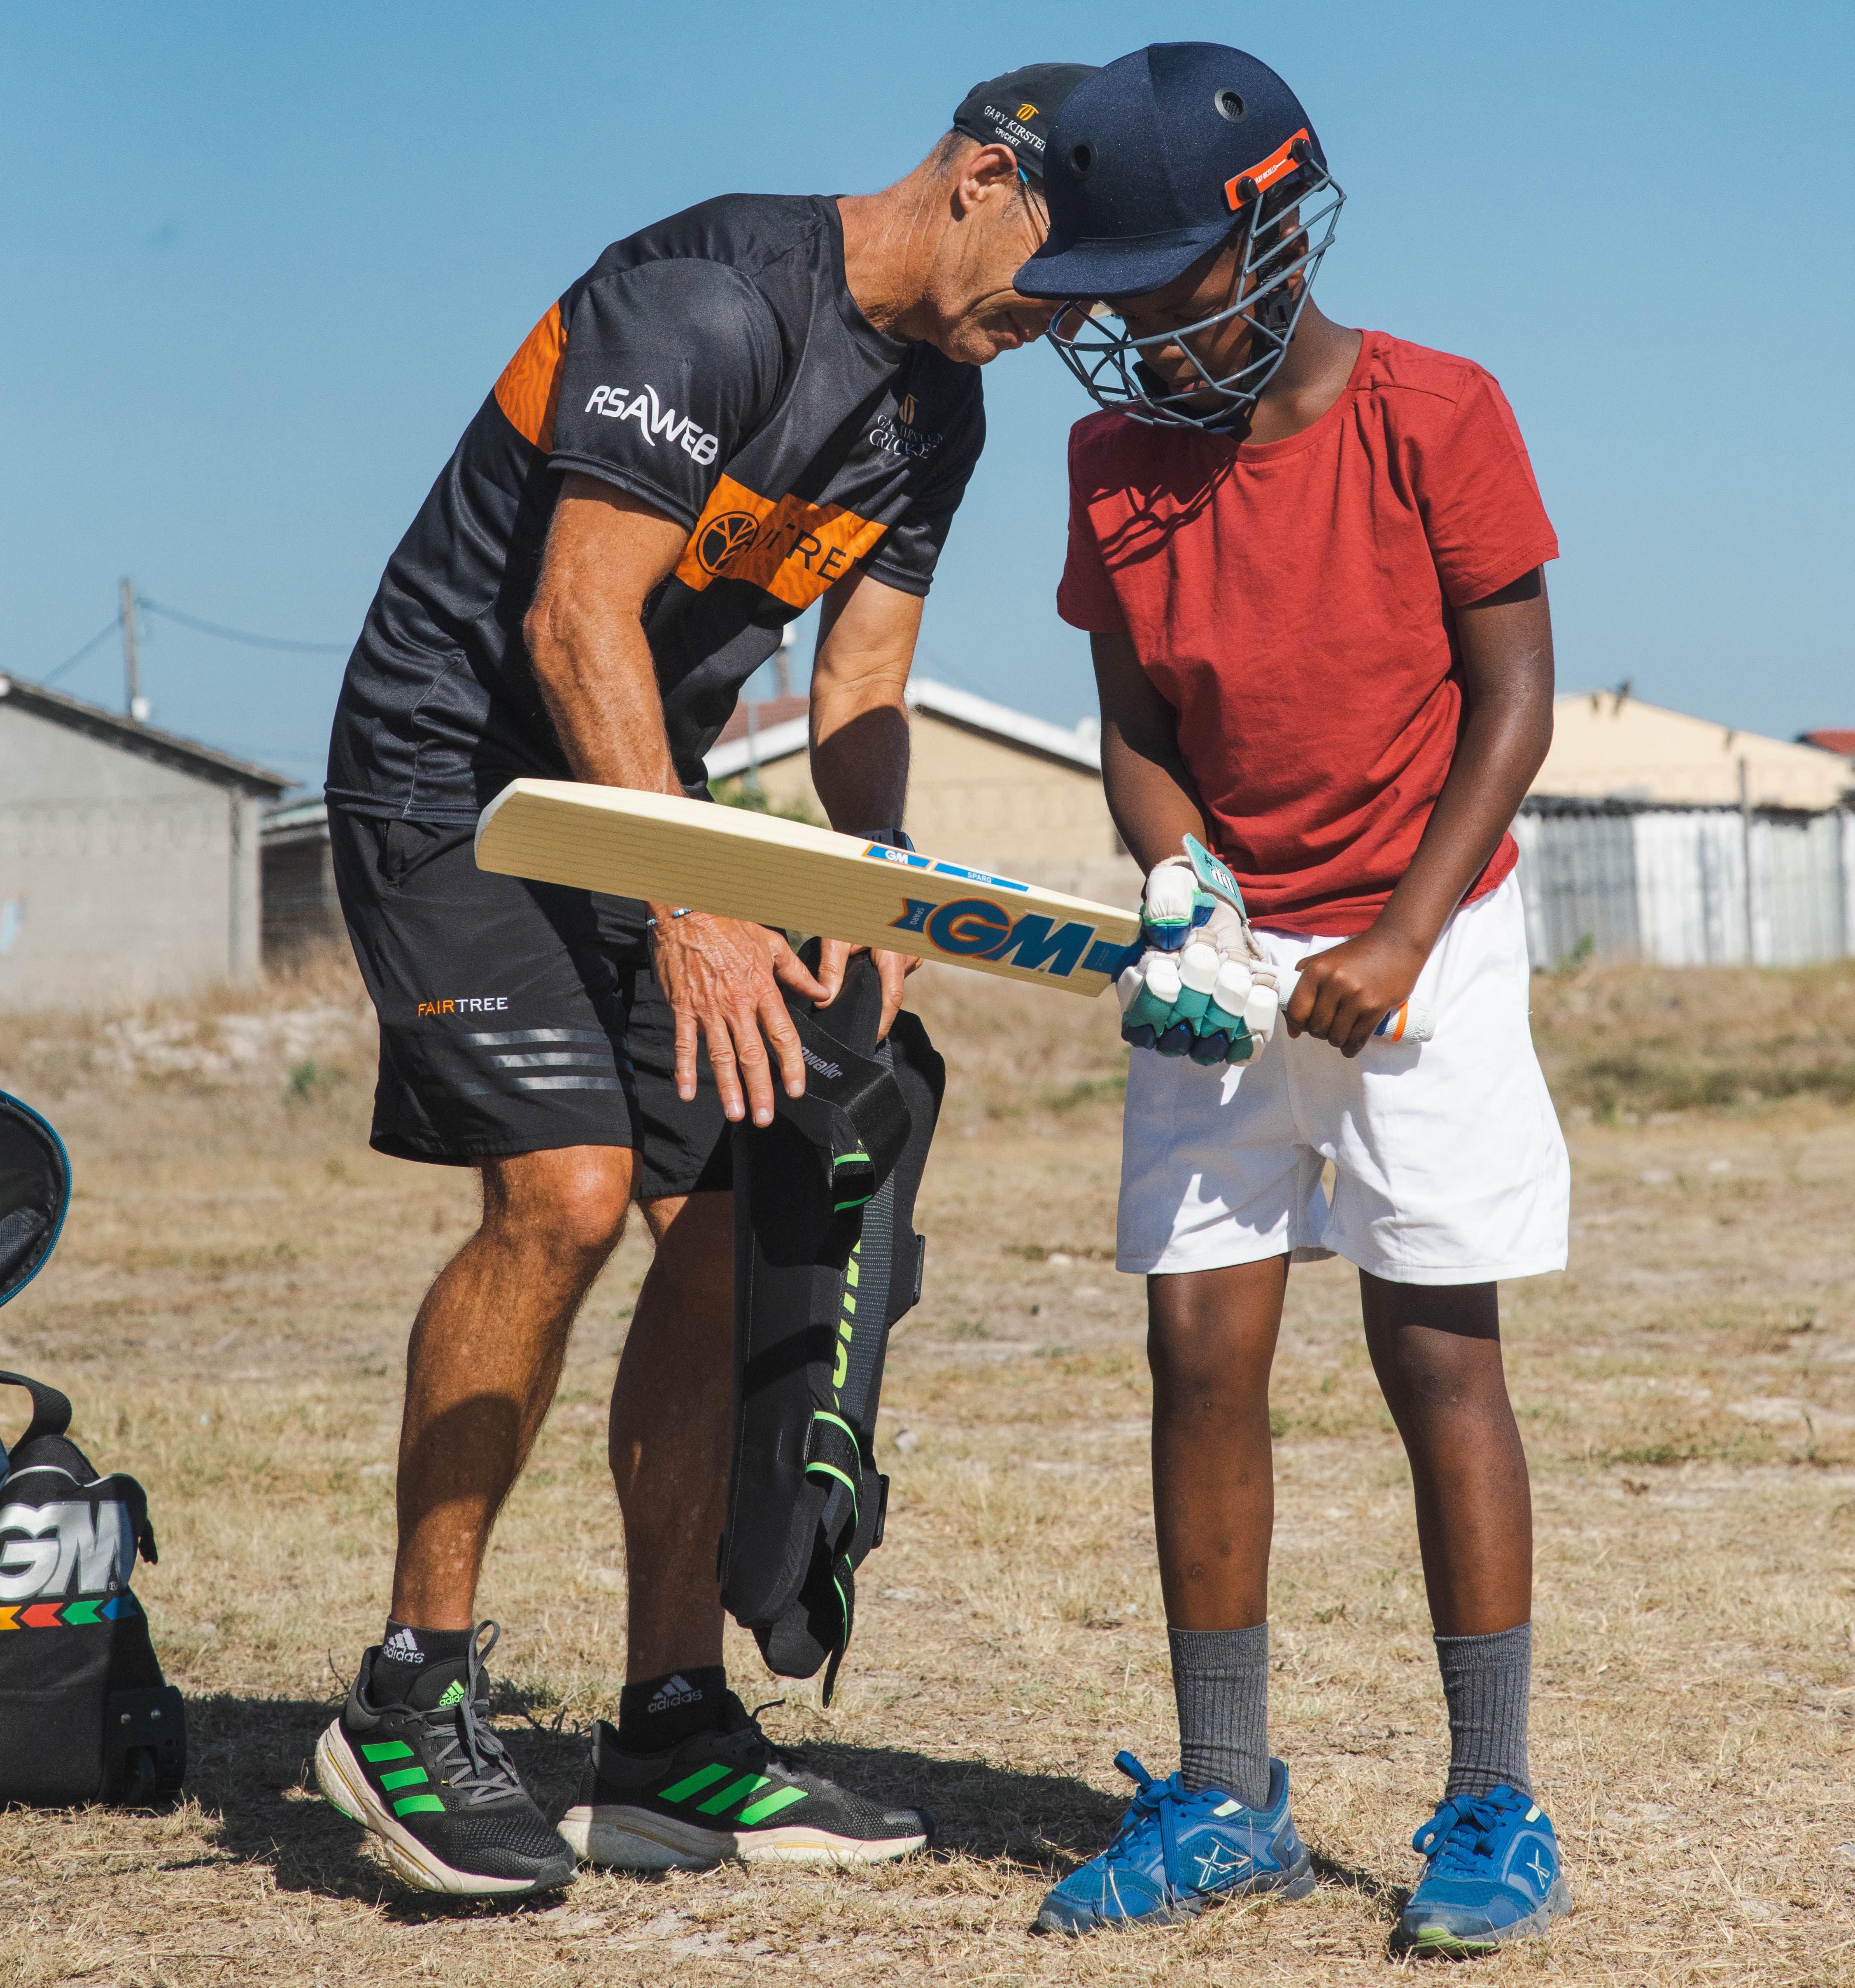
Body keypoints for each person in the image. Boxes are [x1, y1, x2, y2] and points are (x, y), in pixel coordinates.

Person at [314, 63, 1093, 1897]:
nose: (1054, 330)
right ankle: (409, 1692)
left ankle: (666, 1726)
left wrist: (873, 892)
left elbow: (862, 683)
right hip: (460, 782)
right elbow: (571, 616)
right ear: (981, 178)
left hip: (637, 799)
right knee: (572, 1197)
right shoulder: (712, 299)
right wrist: (691, 899)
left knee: (731, 1216)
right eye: (1055, 279)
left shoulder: (943, 413)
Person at [1013, 43, 1574, 1955]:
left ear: (1270, 229)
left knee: (1438, 1358)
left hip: (1431, 932)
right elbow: (1137, 729)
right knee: (1198, 1355)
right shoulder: (1111, 462)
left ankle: (1492, 1797)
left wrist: (1404, 938)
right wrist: (1179, 891)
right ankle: (1224, 1793)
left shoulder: (1438, 412)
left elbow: (1512, 703)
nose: (1133, 343)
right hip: (1234, 956)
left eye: (1159, 289)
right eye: (1104, 302)